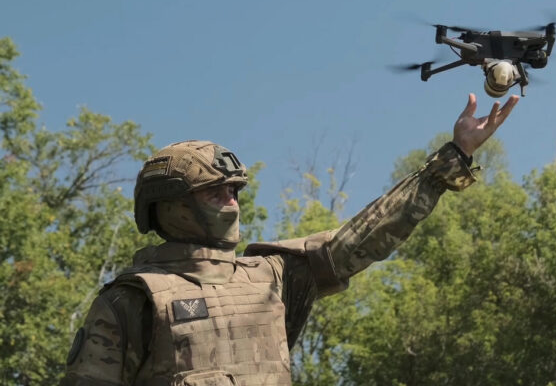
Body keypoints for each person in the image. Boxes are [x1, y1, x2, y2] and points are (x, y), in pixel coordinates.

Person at [62, 93, 518, 386]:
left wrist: (454, 158)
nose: (232, 200)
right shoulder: (134, 299)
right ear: (173, 206)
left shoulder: (271, 276)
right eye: (215, 191)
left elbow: (359, 240)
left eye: (235, 189)